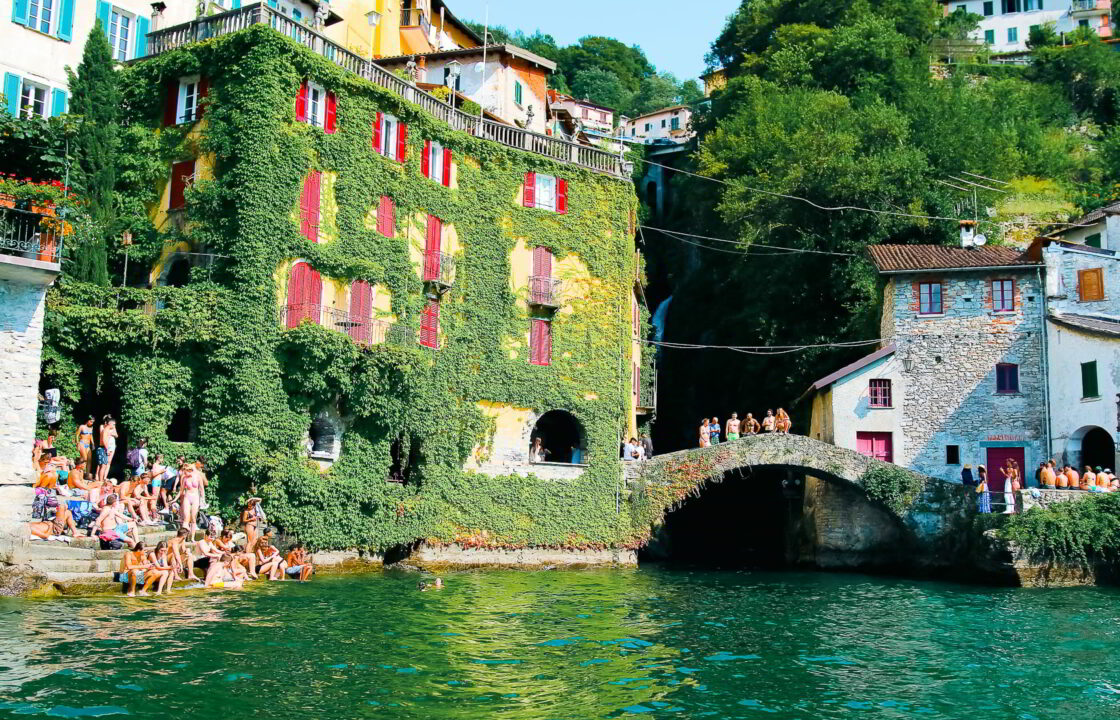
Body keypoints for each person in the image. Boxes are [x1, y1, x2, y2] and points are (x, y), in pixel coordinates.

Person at [97, 416, 118, 484]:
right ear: (110, 423)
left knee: (104, 465)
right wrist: (107, 449)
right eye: (114, 424)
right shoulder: (105, 429)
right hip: (103, 448)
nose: (114, 426)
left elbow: (116, 435)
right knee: (103, 465)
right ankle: (100, 481)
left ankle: (102, 479)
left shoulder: (107, 429)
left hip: (105, 448)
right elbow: (104, 440)